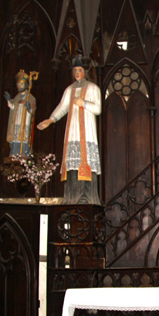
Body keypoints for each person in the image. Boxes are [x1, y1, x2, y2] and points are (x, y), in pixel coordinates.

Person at [37, 56, 101, 205]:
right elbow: (63, 106)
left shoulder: (93, 88)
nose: (77, 73)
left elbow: (97, 108)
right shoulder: (69, 89)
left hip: (87, 132)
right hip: (73, 131)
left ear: (85, 71)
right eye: (75, 71)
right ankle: (72, 197)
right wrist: (51, 119)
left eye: (80, 70)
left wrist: (83, 103)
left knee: (86, 162)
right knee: (73, 165)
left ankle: (86, 198)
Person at [5, 70, 36, 157]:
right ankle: (14, 153)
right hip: (16, 120)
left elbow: (32, 111)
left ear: (26, 85)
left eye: (21, 84)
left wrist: (28, 106)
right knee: (15, 137)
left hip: (25, 121)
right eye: (18, 84)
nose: (19, 86)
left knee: (23, 137)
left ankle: (24, 153)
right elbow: (13, 107)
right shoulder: (17, 97)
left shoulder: (31, 97)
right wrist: (9, 100)